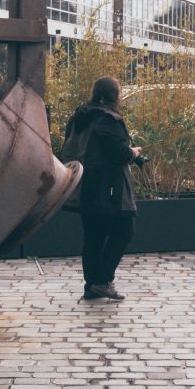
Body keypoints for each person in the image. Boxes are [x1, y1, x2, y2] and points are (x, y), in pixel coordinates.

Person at [61, 76, 141, 300]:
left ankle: (91, 285)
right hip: (108, 186)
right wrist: (134, 152)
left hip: (83, 184)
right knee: (124, 231)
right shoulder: (108, 120)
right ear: (114, 96)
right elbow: (119, 153)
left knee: (93, 236)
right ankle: (102, 281)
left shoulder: (80, 116)